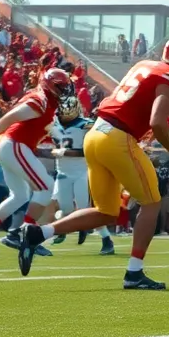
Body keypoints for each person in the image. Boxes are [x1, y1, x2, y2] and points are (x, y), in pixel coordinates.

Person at [19, 36, 169, 290]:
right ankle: (134, 273)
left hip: (96, 135)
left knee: (106, 211)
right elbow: (157, 121)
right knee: (152, 202)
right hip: (117, 138)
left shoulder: (143, 66)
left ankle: (39, 233)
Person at [0, 69, 72, 254]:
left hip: (14, 147)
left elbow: (42, 127)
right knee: (46, 186)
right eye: (60, 86)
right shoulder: (40, 100)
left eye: (65, 87)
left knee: (20, 195)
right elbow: (8, 118)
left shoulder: (47, 103)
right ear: (50, 84)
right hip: (14, 145)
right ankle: (24, 233)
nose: (64, 91)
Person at [48, 95, 113, 256]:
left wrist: (65, 152)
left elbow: (98, 141)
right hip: (63, 172)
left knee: (86, 210)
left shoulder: (85, 124)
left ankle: (107, 240)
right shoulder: (53, 125)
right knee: (65, 209)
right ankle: (69, 229)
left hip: (81, 172)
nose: (65, 115)